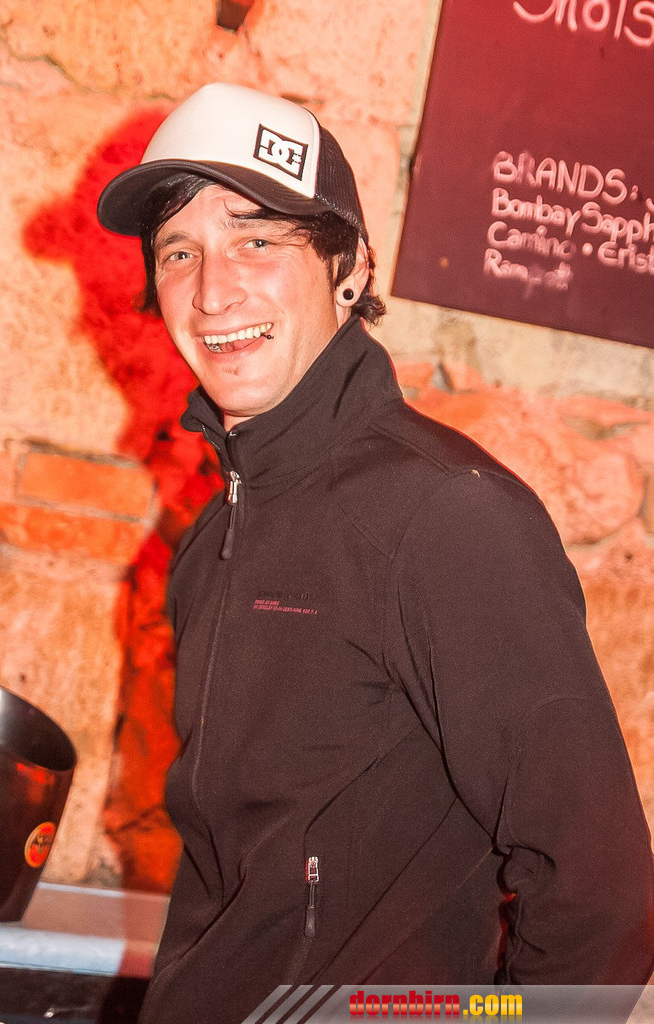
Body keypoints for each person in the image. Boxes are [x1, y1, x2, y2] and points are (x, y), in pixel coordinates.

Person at [97, 83, 653, 1024]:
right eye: (178, 251)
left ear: (348, 267)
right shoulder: (216, 534)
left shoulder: (446, 516)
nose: (212, 290)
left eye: (257, 241)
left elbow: (599, 892)